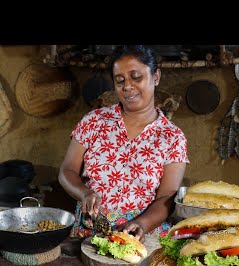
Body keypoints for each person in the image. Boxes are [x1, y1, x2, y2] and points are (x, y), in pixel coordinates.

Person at [59, 45, 189, 241]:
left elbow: (166, 198)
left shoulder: (172, 138)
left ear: (156, 77)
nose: (127, 86)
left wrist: (141, 224)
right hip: (90, 234)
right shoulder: (94, 121)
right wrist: (84, 193)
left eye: (136, 77)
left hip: (142, 237)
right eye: (120, 81)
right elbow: (67, 171)